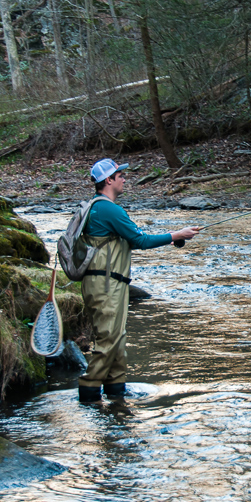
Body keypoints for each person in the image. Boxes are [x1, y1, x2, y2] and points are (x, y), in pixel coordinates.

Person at [78, 158, 201, 403]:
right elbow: (140, 240)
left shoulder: (99, 208)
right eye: (119, 175)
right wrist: (177, 234)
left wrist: (173, 237)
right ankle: (89, 395)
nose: (124, 178)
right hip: (105, 285)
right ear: (108, 180)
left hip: (110, 284)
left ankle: (116, 395)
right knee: (109, 340)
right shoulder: (106, 209)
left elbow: (129, 241)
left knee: (117, 340)